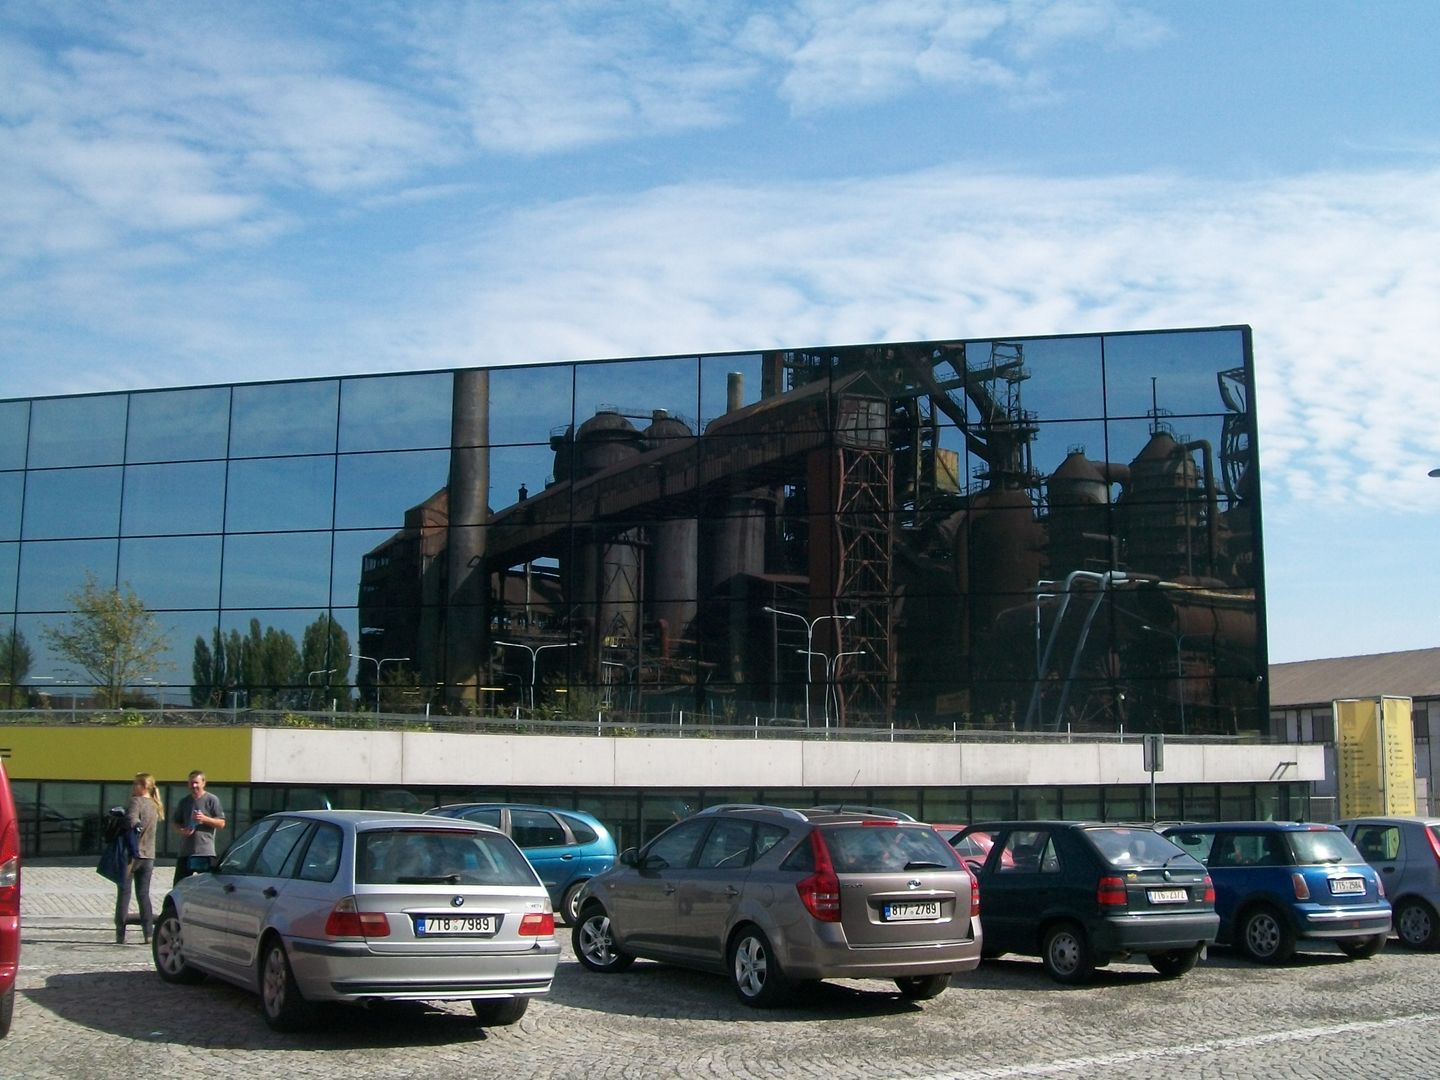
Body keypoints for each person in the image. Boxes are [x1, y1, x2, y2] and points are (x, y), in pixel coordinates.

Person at [117, 772, 162, 944]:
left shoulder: (136, 802)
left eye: (136, 784)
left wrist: (126, 822)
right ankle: (148, 933)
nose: (133, 787)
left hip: (132, 855)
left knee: (124, 893)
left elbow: (132, 820)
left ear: (143, 786)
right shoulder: (155, 805)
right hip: (149, 855)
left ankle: (120, 932)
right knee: (143, 894)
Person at [171, 770, 225, 886]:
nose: (194, 786)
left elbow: (221, 823)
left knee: (208, 886)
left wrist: (205, 819)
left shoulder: (212, 800)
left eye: (196, 783)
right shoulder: (184, 802)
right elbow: (176, 823)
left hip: (204, 852)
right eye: (191, 783)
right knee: (179, 886)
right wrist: (182, 831)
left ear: (203, 783)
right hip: (186, 852)